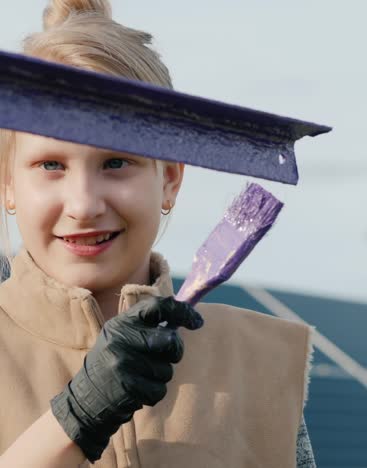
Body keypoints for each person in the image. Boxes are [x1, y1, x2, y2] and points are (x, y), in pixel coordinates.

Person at [0, 1, 317, 467]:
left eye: (117, 162)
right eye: (51, 165)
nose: (84, 204)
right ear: (7, 183)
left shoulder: (260, 362)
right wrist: (76, 415)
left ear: (169, 179)